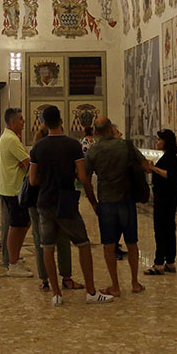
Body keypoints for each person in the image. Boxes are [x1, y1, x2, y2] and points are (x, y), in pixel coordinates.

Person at [29, 106, 114, 306]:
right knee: (83, 244)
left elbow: (32, 180)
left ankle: (56, 294)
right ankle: (91, 292)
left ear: (45, 123)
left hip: (45, 201)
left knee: (47, 247)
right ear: (61, 121)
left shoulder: (38, 148)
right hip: (66, 200)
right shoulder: (72, 145)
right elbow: (83, 176)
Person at [84, 116, 150, 296]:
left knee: (109, 245)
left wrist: (93, 202)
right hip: (127, 200)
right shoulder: (125, 145)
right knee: (131, 243)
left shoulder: (94, 151)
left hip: (106, 202)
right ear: (112, 128)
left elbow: (85, 179)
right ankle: (135, 282)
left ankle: (115, 286)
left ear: (96, 132)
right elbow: (145, 166)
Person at [30, 125, 78, 293]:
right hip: (59, 199)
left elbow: (32, 179)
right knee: (63, 239)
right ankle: (66, 277)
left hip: (37, 201)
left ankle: (44, 280)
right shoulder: (63, 150)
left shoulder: (36, 151)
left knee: (41, 241)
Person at [0, 108, 33, 277]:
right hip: (15, 189)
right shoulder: (11, 139)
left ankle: (15, 257)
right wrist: (26, 160)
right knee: (16, 226)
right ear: (12, 122)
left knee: (23, 224)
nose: (23, 121)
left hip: (12, 187)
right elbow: (30, 162)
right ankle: (13, 264)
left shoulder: (8, 137)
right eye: (20, 119)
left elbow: (25, 159)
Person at [147, 128, 177, 275]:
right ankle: (170, 261)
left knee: (161, 229)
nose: (157, 142)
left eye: (159, 140)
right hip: (167, 195)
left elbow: (169, 174)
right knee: (168, 229)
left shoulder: (169, 156)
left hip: (166, 196)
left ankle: (159, 263)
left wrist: (154, 168)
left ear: (166, 142)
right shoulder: (166, 156)